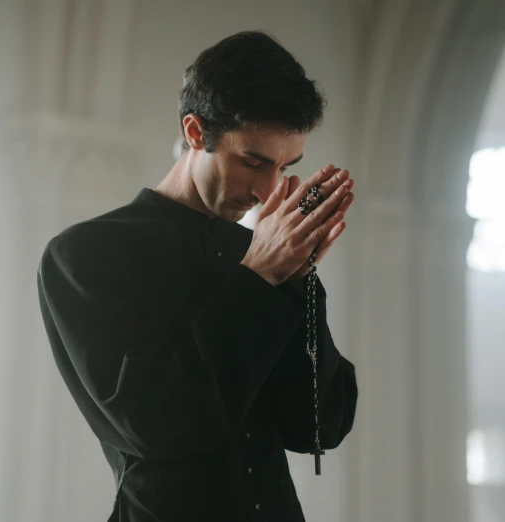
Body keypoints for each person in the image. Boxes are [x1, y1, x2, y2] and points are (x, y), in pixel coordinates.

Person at [37, 30, 358, 522]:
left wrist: (298, 284)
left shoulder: (263, 257)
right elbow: (152, 425)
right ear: (194, 132)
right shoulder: (85, 254)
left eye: (285, 167)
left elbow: (319, 429)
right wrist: (259, 278)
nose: (266, 191)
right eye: (253, 162)